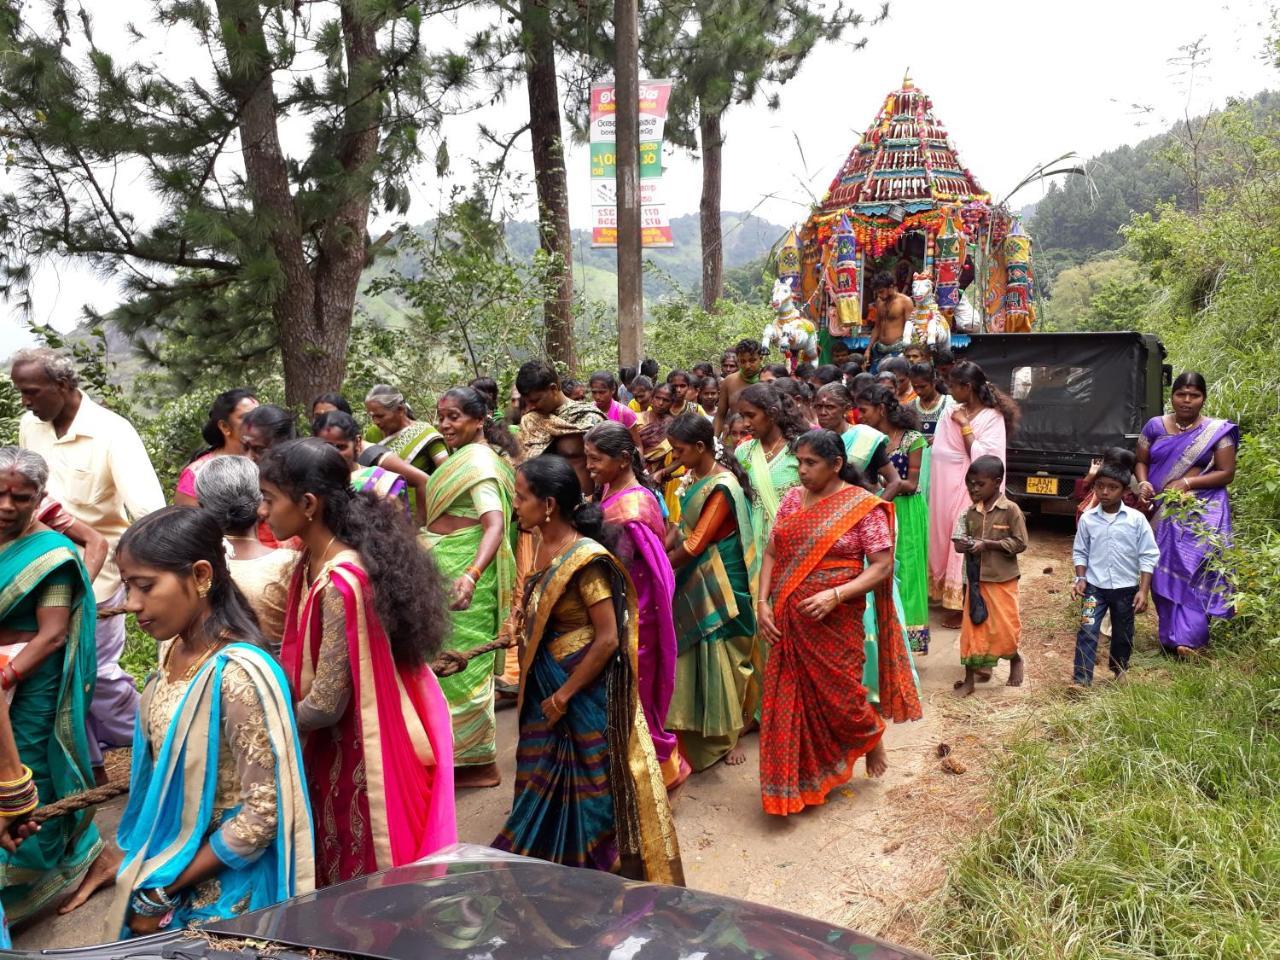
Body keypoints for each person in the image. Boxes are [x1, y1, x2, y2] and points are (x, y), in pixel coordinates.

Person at [104, 507, 313, 938]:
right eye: (127, 585)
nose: (132, 603)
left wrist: (164, 888)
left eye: (145, 586)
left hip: (227, 878)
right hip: (173, 854)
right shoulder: (172, 652)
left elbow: (263, 815)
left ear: (201, 575)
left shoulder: (238, 675)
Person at [261, 440, 456, 885]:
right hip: (337, 743)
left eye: (270, 498)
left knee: (363, 872)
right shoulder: (314, 559)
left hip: (355, 751)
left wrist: (267, 722)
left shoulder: (341, 582)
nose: (262, 510)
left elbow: (327, 702)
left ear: (308, 504)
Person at [493, 456, 682, 884]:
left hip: (579, 687)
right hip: (547, 674)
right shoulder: (542, 543)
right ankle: (549, 848)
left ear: (549, 505)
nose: (514, 505)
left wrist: (564, 695)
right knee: (542, 765)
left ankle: (596, 865)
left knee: (590, 779)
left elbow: (608, 638)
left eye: (521, 497)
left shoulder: (588, 559)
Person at [11, 347, 165, 775]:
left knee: (95, 674)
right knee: (57, 677)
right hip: (37, 567)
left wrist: (144, 580)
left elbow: (146, 511)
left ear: (63, 386)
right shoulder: (31, 426)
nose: (25, 401)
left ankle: (159, 741)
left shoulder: (113, 433)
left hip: (99, 575)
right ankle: (87, 764)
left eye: (31, 391)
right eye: (19, 392)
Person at [755, 431, 922, 815]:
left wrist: (836, 595)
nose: (801, 470)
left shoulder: (864, 507)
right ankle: (793, 786)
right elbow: (771, 551)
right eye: (798, 462)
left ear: (836, 465)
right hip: (787, 620)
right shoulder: (792, 501)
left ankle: (869, 734)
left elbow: (881, 566)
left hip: (836, 619)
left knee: (842, 697)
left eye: (810, 463)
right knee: (787, 701)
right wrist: (761, 602)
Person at [0, 448, 102, 927]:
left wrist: (6, 676)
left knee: (28, 765)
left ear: (40, 497)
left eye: (20, 497)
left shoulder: (52, 556)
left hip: (32, 678)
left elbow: (53, 633)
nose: (6, 505)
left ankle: (32, 871)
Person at [422, 388, 519, 789]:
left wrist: (472, 574)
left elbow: (493, 523)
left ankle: (479, 765)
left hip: (466, 574)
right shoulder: (462, 458)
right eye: (441, 416)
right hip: (447, 566)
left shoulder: (479, 463)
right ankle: (454, 758)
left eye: (455, 417)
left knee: (464, 668)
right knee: (443, 665)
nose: (445, 424)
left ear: (479, 420)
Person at [584, 423, 685, 790]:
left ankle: (656, 777)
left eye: (596, 459)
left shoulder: (635, 506)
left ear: (624, 459)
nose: (590, 466)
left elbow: (649, 571)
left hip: (637, 616)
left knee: (635, 701)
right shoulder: (612, 490)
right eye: (587, 458)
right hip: (620, 609)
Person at [664, 414, 759, 770]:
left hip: (722, 573)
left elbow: (695, 543)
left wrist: (661, 567)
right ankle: (696, 728)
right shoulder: (697, 476)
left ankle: (728, 734)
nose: (675, 456)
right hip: (699, 571)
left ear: (701, 448)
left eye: (680, 450)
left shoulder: (722, 486)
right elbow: (681, 528)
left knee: (724, 649)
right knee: (698, 648)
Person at [1134, 371, 1238, 657]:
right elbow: (1140, 461)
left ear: (1203, 398)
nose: (1187, 400)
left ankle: (1192, 639)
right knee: (1162, 570)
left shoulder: (1216, 431)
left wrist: (1188, 482)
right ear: (1172, 396)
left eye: (1194, 395)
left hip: (1199, 514)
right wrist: (1143, 482)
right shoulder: (1155, 426)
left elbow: (1226, 472)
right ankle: (1171, 640)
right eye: (1181, 394)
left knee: (1195, 570)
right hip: (1160, 513)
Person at [929, 361, 1018, 629]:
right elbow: (942, 446)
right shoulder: (952, 410)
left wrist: (965, 425)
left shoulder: (992, 417)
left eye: (954, 386)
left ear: (967, 387)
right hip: (946, 486)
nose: (950, 390)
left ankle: (963, 603)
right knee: (945, 536)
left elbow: (983, 458)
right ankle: (945, 594)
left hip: (974, 488)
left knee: (965, 540)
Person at [195, 456, 298, 656]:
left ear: (202, 507)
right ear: (261, 501)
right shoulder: (291, 565)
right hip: (280, 679)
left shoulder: (196, 571)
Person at [1071, 462, 1159, 688]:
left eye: (1112, 487)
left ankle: (1119, 670)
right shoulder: (1088, 520)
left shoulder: (1136, 520)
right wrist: (1080, 578)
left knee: (1123, 634)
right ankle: (1081, 681)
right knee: (1087, 631)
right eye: (1100, 486)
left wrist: (1143, 589)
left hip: (1126, 589)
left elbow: (1148, 555)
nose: (1105, 492)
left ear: (1125, 491)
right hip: (1094, 588)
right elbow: (1080, 552)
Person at [858, 386, 931, 654]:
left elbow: (910, 484)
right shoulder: (868, 440)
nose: (860, 415)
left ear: (881, 409)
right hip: (879, 506)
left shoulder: (913, 439)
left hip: (906, 510)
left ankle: (909, 643)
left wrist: (880, 491)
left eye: (864, 410)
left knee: (907, 572)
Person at [952, 456, 1028, 697]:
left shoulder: (1011, 510)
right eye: (970, 484)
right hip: (974, 580)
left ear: (997, 482)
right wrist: (964, 544)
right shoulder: (970, 513)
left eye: (979, 484)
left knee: (1003, 628)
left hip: (1002, 579)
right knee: (972, 630)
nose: (973, 489)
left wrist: (988, 545)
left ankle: (1015, 659)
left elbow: (1020, 543)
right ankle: (969, 680)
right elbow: (958, 542)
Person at [734, 383, 805, 594]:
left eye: (751, 416)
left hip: (796, 535)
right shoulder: (743, 452)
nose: (745, 423)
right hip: (758, 537)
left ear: (772, 414)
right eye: (742, 416)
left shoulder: (799, 448)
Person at [313, 410, 431, 526]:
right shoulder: (311, 483)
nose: (334, 454)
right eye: (327, 447)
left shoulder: (381, 483)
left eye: (341, 447)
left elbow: (399, 532)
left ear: (357, 443)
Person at [515, 360, 605, 497]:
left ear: (553, 388)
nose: (531, 406)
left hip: (583, 505)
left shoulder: (588, 418)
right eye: (527, 401)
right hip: (542, 507)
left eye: (535, 400)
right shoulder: (530, 421)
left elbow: (608, 465)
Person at [174, 389, 259, 505]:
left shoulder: (269, 462)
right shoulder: (196, 475)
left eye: (260, 415)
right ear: (224, 427)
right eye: (246, 417)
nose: (258, 422)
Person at [813, 384, 900, 494]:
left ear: (847, 409)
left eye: (830, 407)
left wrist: (876, 508)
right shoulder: (812, 440)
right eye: (818, 406)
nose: (823, 412)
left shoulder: (866, 437)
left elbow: (895, 481)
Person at [363, 384, 450, 483]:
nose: (376, 421)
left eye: (380, 416)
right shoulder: (372, 433)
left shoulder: (426, 434)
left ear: (400, 410)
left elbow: (446, 473)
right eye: (372, 416)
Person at [714, 339, 765, 436]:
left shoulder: (767, 381)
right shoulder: (729, 381)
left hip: (761, 439)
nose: (747, 365)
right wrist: (715, 441)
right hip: (735, 439)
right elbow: (720, 416)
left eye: (752, 360)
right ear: (738, 361)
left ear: (761, 358)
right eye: (743, 361)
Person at [865, 272, 913, 369]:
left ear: (891, 287)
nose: (879, 295)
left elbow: (910, 327)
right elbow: (877, 327)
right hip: (879, 350)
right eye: (877, 292)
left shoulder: (905, 301)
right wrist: (868, 349)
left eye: (881, 291)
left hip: (897, 350)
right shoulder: (879, 302)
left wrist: (907, 349)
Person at [588, 371, 642, 450]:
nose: (597, 397)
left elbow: (637, 445)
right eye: (594, 392)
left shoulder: (625, 413)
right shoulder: (588, 411)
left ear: (612, 390)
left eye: (602, 392)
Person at [908, 362, 953, 442]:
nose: (918, 391)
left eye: (923, 387)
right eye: (914, 387)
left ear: (934, 382)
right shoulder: (910, 407)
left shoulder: (949, 403)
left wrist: (941, 439)